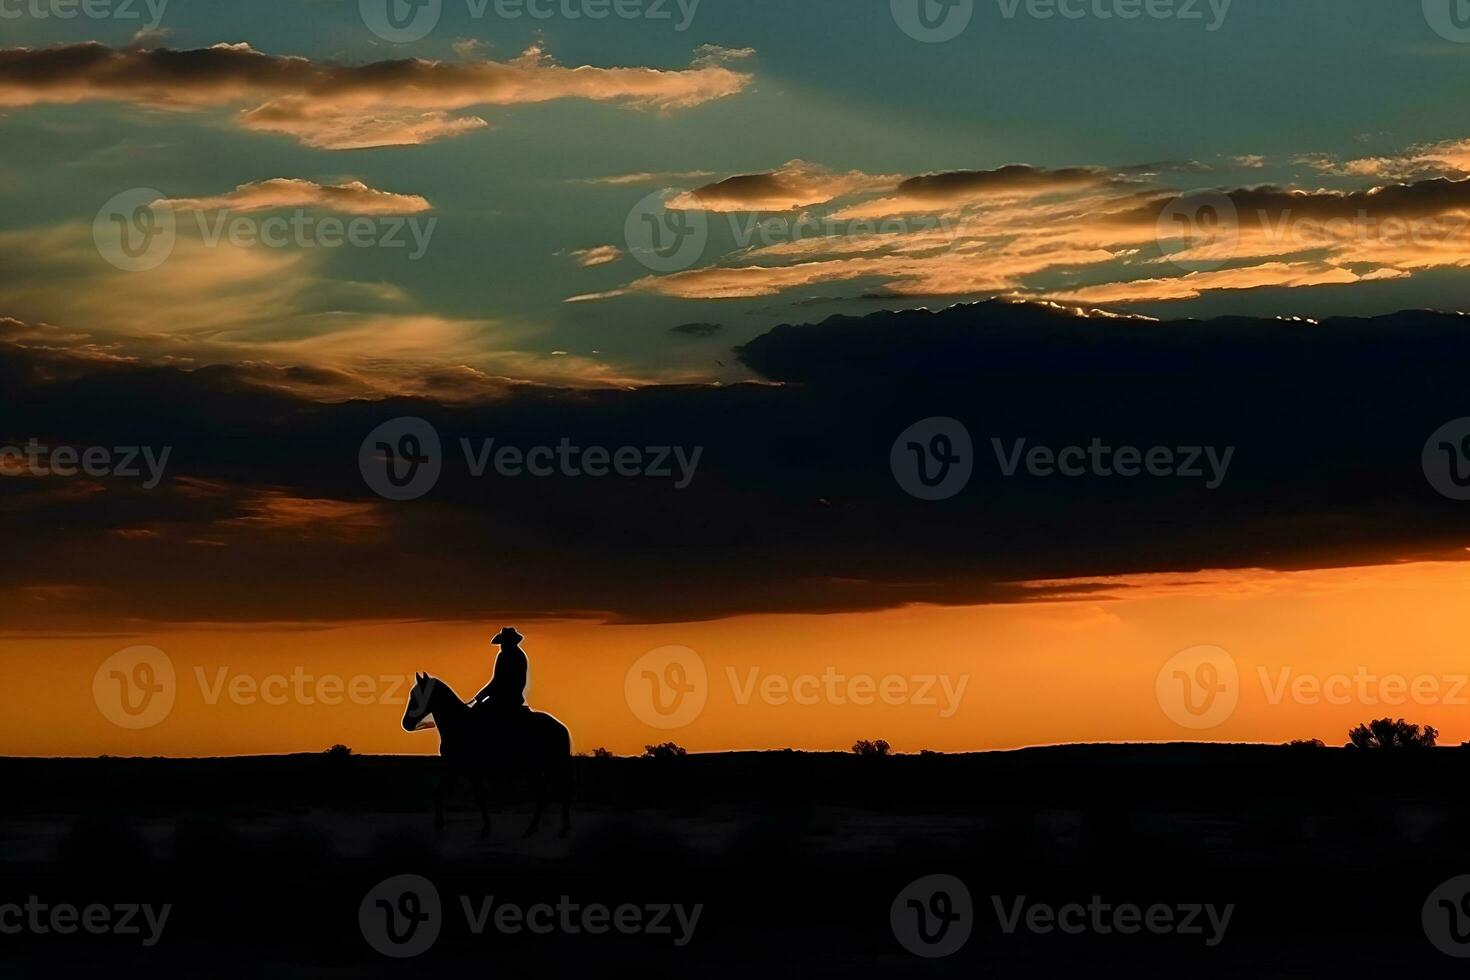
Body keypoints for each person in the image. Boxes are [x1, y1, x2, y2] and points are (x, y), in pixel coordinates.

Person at [471, 627, 529, 712]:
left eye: (503, 643)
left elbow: (497, 681)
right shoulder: (519, 654)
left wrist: (481, 695)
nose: (502, 646)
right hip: (515, 698)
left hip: (504, 698)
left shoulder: (504, 656)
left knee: (477, 711)